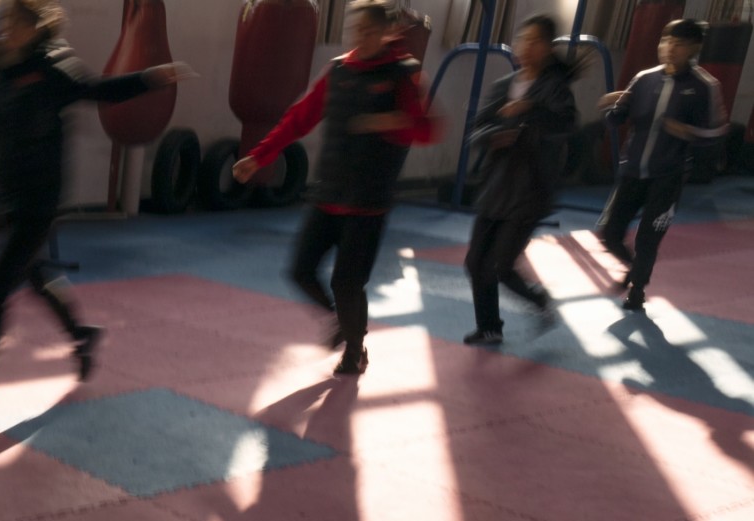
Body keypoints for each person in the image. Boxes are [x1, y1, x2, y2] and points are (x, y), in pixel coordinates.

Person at [0, 0, 190, 408]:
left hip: (41, 197)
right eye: (5, 20)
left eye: (16, 22)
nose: (7, 28)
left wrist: (150, 78)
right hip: (9, 192)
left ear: (36, 28)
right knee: (35, 275)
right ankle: (81, 334)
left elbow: (98, 89)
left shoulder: (53, 67)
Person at [233, 0, 440, 377]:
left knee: (347, 283)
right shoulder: (339, 70)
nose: (361, 37)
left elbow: (428, 129)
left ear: (385, 33)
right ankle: (342, 322)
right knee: (300, 271)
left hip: (368, 202)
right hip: (328, 193)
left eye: (369, 31)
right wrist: (259, 156)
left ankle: (355, 351)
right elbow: (299, 119)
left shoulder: (403, 73)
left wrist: (389, 121)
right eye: (356, 31)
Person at [595, 18, 726, 312]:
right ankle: (633, 269)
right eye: (666, 41)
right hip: (632, 171)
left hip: (668, 176)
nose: (669, 49)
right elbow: (616, 120)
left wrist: (688, 132)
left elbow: (717, 133)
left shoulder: (705, 86)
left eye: (678, 44)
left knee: (648, 239)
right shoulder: (644, 78)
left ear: (694, 48)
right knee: (610, 235)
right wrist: (611, 106)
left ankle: (637, 290)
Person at [462, 13, 577, 346]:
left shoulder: (555, 90)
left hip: (531, 190)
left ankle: (538, 300)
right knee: (475, 263)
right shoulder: (503, 86)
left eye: (535, 41)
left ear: (548, 47)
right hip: (496, 186)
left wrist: (530, 108)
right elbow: (477, 131)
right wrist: (494, 136)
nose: (526, 47)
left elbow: (565, 125)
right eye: (523, 39)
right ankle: (489, 326)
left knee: (500, 265)